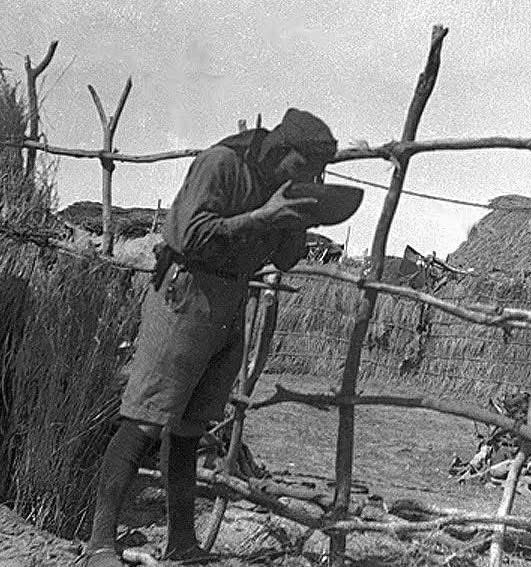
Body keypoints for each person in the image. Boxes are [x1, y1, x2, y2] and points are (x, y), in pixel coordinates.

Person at [81, 108, 338, 567]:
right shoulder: (222, 164)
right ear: (280, 149)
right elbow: (189, 233)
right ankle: (101, 543)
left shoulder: (279, 187)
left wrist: (296, 222)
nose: (306, 176)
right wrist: (264, 215)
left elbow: (283, 261)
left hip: (230, 301)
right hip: (186, 292)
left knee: (189, 428)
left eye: (315, 172)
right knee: (145, 418)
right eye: (302, 166)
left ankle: (181, 543)